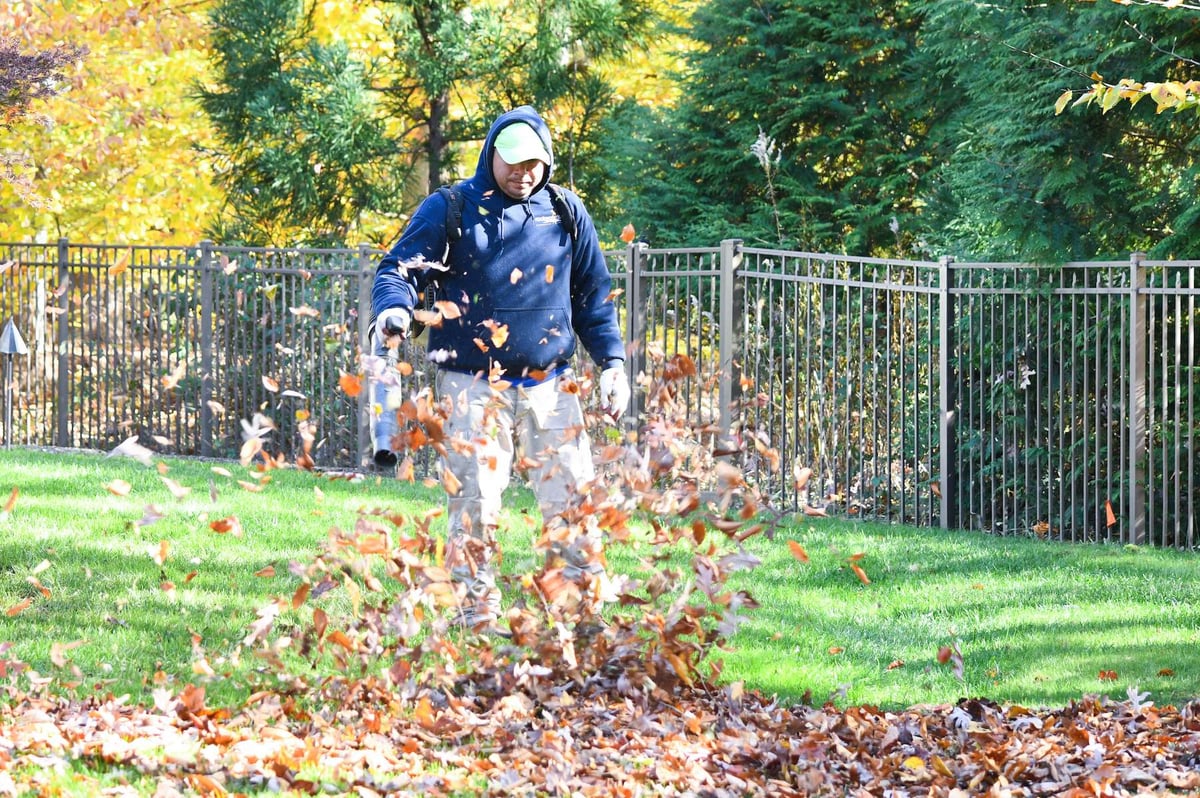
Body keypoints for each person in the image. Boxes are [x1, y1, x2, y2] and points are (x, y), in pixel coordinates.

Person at [370, 105, 631, 631]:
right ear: (491, 155)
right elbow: (397, 269)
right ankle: (476, 618)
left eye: (533, 162)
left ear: (547, 161)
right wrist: (393, 308)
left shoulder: (564, 211)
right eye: (511, 161)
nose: (523, 173)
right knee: (474, 507)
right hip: (471, 386)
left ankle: (583, 615)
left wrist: (613, 363)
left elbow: (593, 297)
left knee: (573, 504)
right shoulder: (451, 208)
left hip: (552, 387)